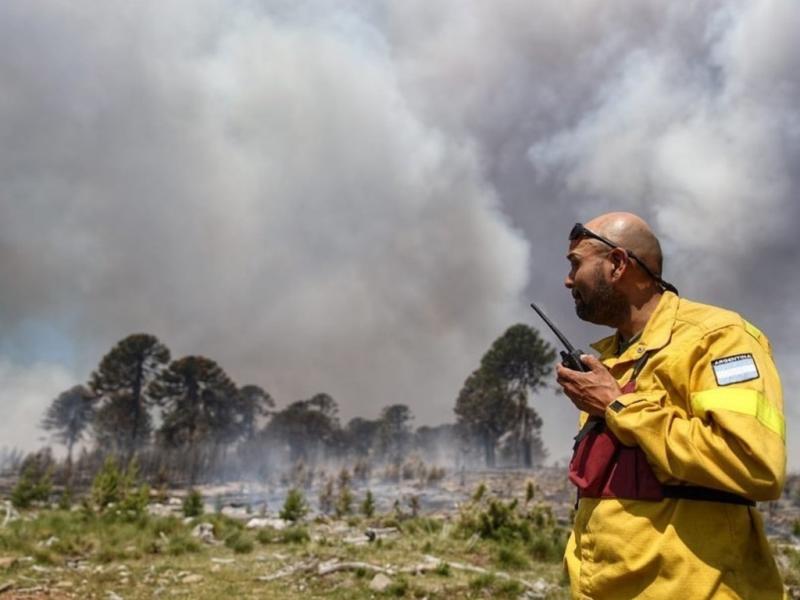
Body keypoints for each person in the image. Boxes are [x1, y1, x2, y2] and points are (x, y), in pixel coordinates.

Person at [556, 212, 786, 599]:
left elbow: (755, 464)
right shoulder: (610, 360)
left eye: (575, 264)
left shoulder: (718, 339)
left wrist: (620, 407)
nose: (567, 280)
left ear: (617, 265)